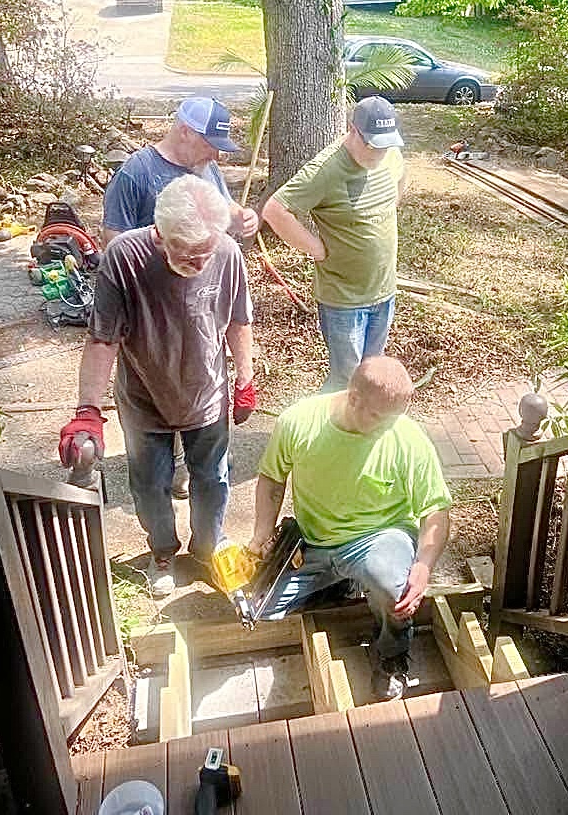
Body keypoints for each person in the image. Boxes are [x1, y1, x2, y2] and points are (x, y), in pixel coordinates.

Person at [59, 175, 256, 596]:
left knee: (213, 478)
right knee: (150, 485)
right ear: (161, 234)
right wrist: (87, 412)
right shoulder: (123, 257)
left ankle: (208, 548)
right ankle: (162, 552)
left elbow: (239, 320)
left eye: (207, 253)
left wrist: (245, 377)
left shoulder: (226, 253)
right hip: (144, 398)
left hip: (207, 395)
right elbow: (102, 338)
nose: (201, 264)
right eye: (188, 254)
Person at [247, 356, 450, 701]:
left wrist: (423, 566)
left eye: (396, 417)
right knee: (259, 612)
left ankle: (391, 655)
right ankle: (341, 583)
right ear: (354, 398)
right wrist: (261, 533)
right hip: (313, 541)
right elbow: (271, 478)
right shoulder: (298, 422)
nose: (390, 426)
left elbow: (437, 511)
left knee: (393, 589)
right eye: (381, 418)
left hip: (378, 538)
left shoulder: (407, 439)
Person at [103, 95, 259, 498]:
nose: (216, 156)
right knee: (156, 391)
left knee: (197, 387)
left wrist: (240, 217)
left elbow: (220, 217)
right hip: (153, 320)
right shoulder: (137, 174)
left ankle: (192, 466)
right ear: (184, 130)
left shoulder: (205, 169)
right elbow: (113, 240)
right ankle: (165, 466)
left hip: (202, 311)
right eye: (211, 144)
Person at [261, 96, 406, 393]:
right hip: (344, 300)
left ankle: (360, 433)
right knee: (345, 380)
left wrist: (389, 207)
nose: (380, 152)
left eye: (385, 144)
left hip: (384, 291)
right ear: (353, 130)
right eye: (373, 144)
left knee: (371, 377)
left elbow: (402, 178)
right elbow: (275, 210)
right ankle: (329, 434)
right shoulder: (326, 169)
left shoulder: (390, 154)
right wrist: (316, 249)